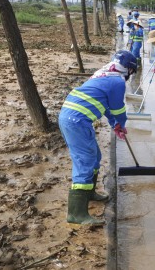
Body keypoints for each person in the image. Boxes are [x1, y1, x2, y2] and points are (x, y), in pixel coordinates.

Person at [59, 50, 137, 225]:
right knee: (85, 162)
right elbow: (118, 109)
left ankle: (90, 193)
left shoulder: (103, 74)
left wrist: (114, 124)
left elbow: (108, 107)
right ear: (129, 70)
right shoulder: (117, 82)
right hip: (76, 121)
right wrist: (122, 123)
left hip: (74, 119)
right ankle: (76, 214)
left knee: (95, 158)